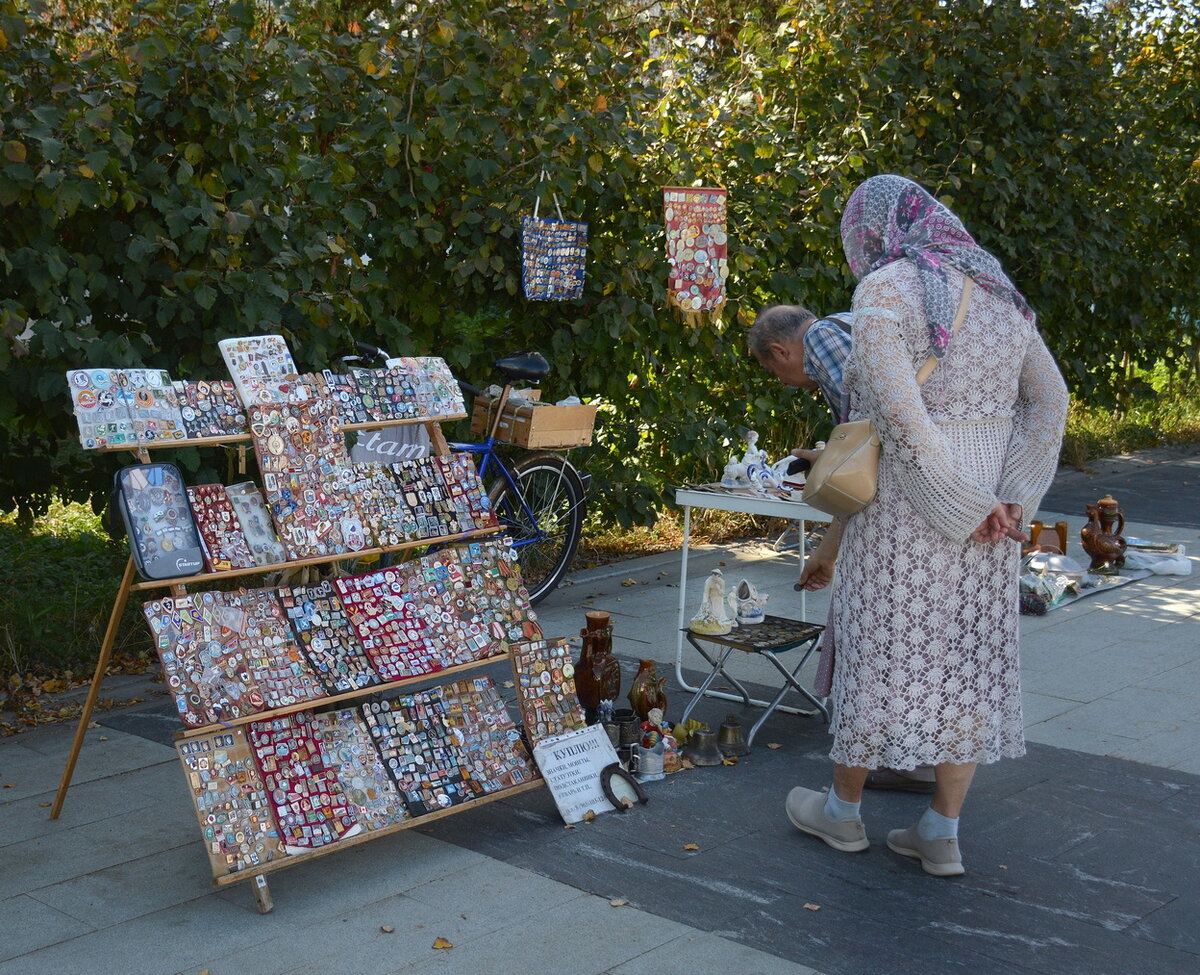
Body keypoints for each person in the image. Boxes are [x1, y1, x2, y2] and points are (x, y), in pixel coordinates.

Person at [780, 174, 1068, 877]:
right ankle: (941, 830)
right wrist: (1013, 500)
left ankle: (843, 815)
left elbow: (898, 416)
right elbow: (1051, 401)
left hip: (910, 514)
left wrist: (966, 505)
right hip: (991, 522)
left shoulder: (884, 290)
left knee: (879, 655)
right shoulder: (999, 293)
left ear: (870, 230)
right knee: (966, 662)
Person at [748, 304, 937, 795]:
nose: (784, 380)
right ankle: (912, 757)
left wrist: (829, 475)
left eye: (774, 371)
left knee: (880, 633)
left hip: (905, 505)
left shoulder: (823, 343)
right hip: (925, 493)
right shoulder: (846, 325)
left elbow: (876, 436)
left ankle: (887, 766)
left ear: (780, 350)